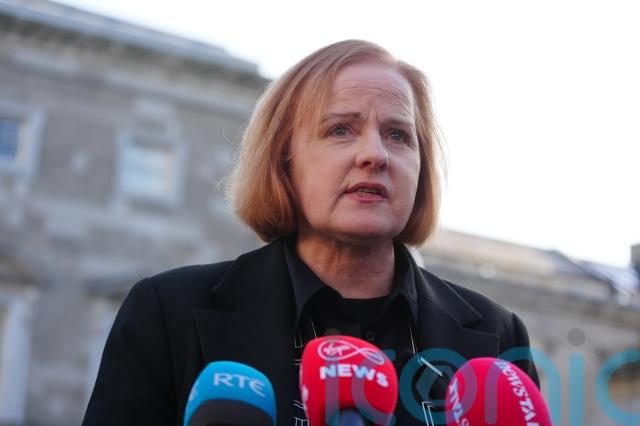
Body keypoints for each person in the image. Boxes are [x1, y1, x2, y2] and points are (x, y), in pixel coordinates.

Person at [82, 40, 539, 426]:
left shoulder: (496, 333)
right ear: (283, 162)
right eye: (340, 130)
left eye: (398, 135)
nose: (375, 154)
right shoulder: (168, 312)